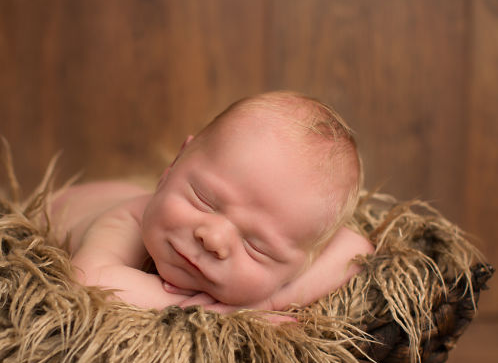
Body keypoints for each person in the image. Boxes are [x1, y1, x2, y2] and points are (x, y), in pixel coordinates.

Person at [50, 91, 374, 314]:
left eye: (256, 246)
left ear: (302, 264)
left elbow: (356, 250)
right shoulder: (128, 220)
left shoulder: (301, 253)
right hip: (67, 205)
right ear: (174, 164)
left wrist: (266, 302)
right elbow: (89, 280)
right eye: (204, 200)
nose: (213, 238)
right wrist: (211, 313)